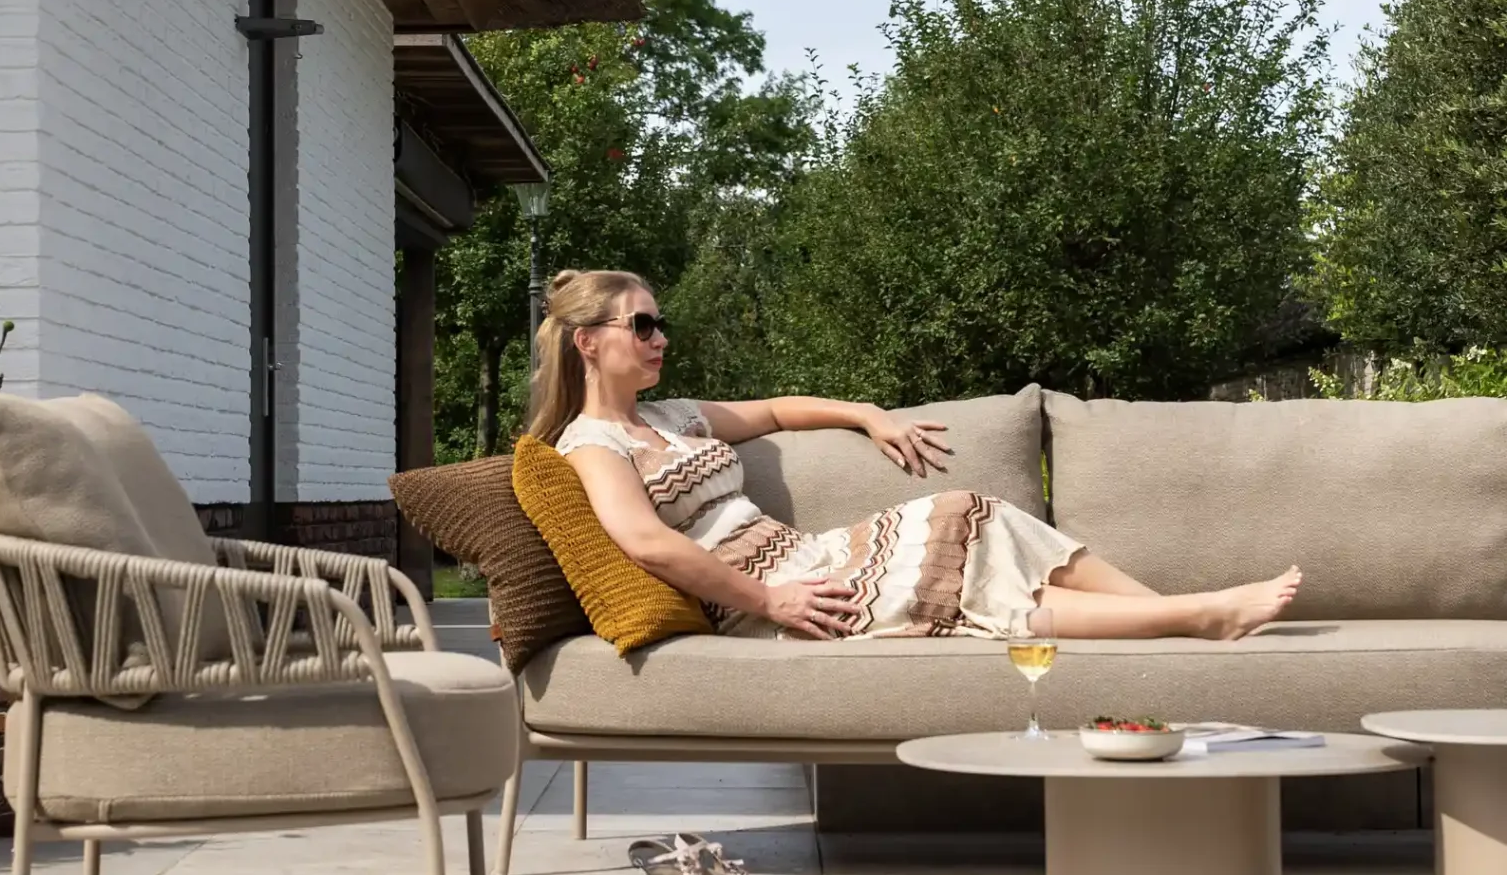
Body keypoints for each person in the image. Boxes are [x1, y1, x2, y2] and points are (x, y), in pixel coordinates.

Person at [525, 268, 1301, 643]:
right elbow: (647, 543)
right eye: (643, 326)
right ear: (588, 342)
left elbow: (776, 410)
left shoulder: (671, 418)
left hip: (808, 558)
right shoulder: (591, 444)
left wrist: (867, 414)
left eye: (660, 325)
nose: (660, 338)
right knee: (953, 585)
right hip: (772, 595)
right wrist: (769, 601)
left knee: (974, 512)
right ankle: (1194, 617)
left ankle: (1173, 619)